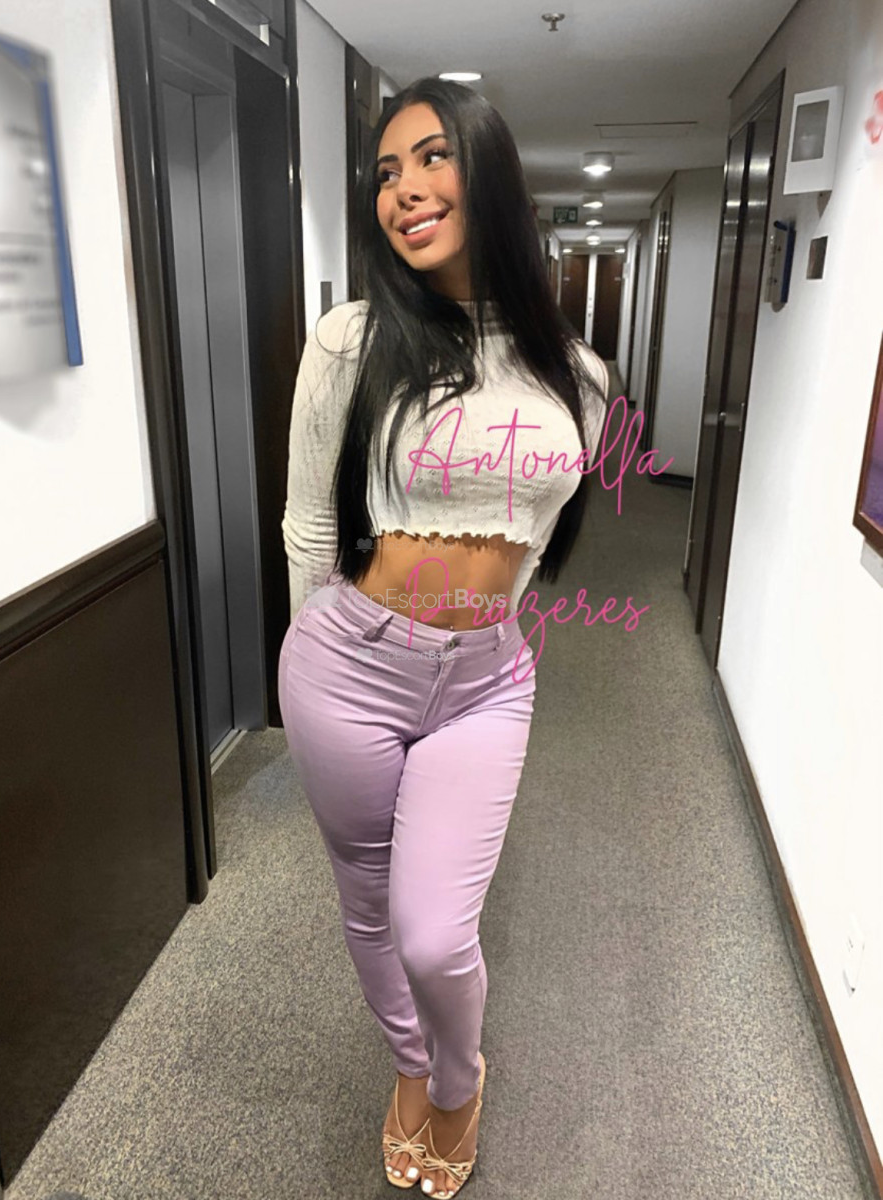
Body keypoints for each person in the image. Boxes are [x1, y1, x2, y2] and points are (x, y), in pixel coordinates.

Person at [279, 77, 609, 1198]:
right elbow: (308, 525)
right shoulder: (353, 340)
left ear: (490, 175)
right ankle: (411, 1064)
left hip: (484, 680)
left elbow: (541, 532)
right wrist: (308, 667)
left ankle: (459, 1083)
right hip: (347, 663)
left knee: (433, 929)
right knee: (368, 902)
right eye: (386, 172)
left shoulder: (577, 373)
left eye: (431, 158)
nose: (404, 190)